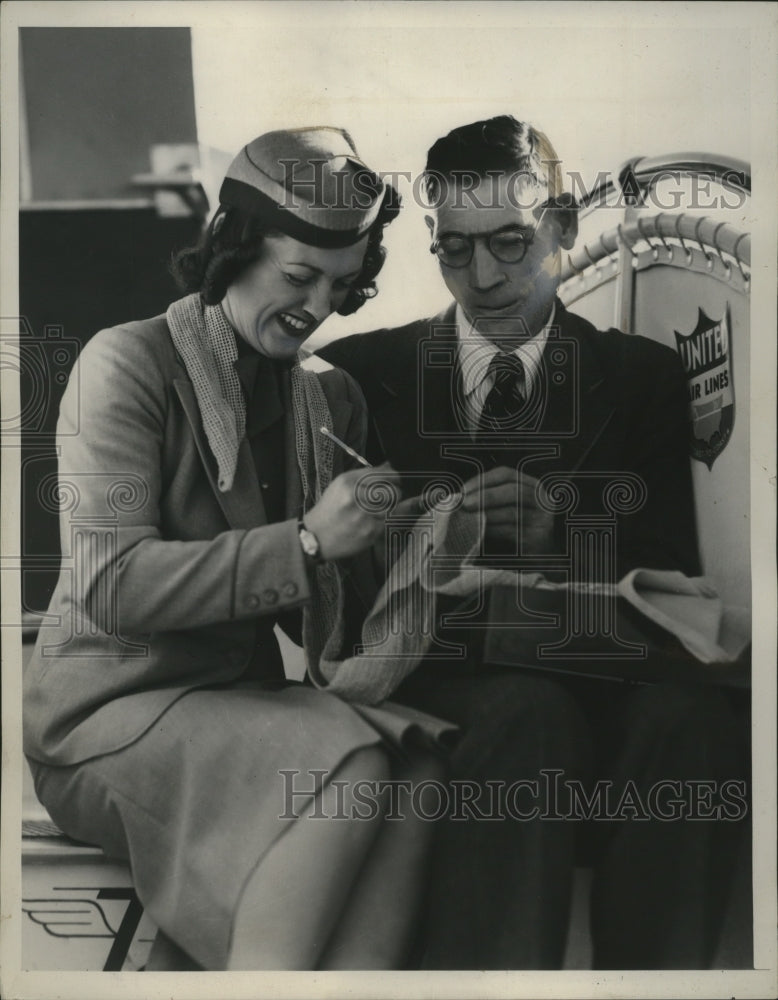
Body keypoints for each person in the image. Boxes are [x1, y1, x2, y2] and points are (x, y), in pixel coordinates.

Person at [319, 115, 745, 969]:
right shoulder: (355, 376)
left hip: (595, 676)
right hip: (437, 681)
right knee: (526, 715)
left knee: (695, 724)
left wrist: (562, 538)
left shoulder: (642, 379)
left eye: (510, 242)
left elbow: (675, 579)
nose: (482, 277)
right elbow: (334, 596)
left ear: (563, 228)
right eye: (454, 249)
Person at [22, 127, 446, 971]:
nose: (319, 306)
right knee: (353, 763)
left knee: (418, 768)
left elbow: (343, 619)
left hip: (232, 708)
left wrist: (422, 546)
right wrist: (309, 540)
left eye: (342, 285)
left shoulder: (332, 400)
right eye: (298, 277)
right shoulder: (126, 364)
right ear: (232, 247)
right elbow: (112, 587)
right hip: (102, 716)